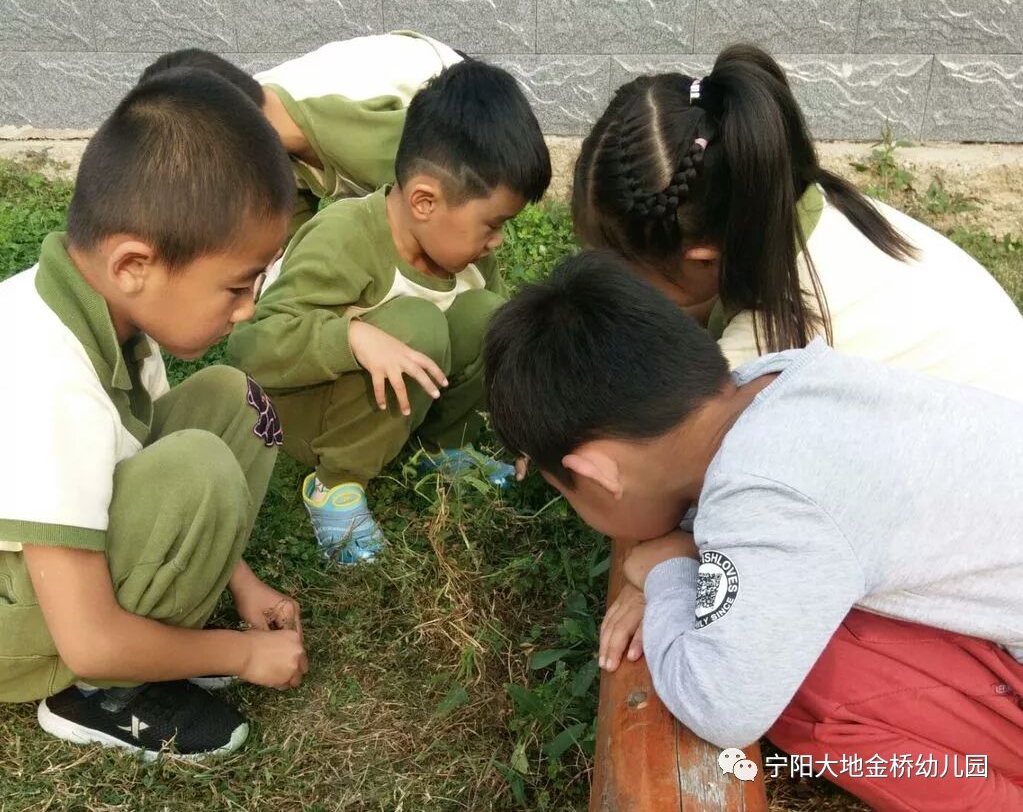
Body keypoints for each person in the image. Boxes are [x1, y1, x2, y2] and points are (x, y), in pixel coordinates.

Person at [484, 251, 1023, 809]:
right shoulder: (780, 380)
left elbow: (723, 705)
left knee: (806, 689)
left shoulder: (767, 489)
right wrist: (694, 543)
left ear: (594, 474)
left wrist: (669, 573)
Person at [572, 42, 1023, 690]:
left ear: (701, 257)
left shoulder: (767, 349)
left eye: (627, 269)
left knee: (802, 663)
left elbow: (720, 495)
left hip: (990, 581)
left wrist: (672, 568)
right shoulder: (808, 210)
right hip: (986, 469)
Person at [0, 69, 307, 758]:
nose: (249, 305)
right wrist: (242, 654)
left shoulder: (114, 315)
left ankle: (157, 643)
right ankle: (99, 694)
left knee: (236, 401)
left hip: (45, 571)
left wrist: (244, 582)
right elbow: (88, 637)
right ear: (135, 264)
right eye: (236, 284)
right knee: (198, 466)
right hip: (26, 620)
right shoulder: (46, 375)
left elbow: (139, 462)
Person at [227, 59, 551, 565]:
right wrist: (350, 338)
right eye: (491, 225)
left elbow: (502, 342)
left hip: (397, 401)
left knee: (491, 317)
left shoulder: (466, 254)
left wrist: (527, 425)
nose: (496, 242)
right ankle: (337, 486)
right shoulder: (344, 238)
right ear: (425, 201)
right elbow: (251, 348)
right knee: (416, 326)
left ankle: (441, 453)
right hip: (309, 409)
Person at [139, 32, 464, 238]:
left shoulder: (353, 125)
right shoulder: (249, 114)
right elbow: (289, 233)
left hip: (458, 102)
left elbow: (432, 218)